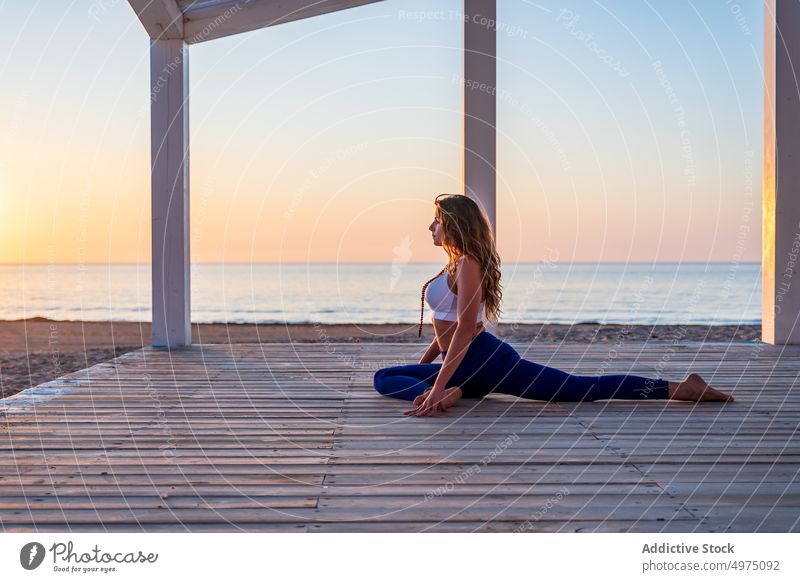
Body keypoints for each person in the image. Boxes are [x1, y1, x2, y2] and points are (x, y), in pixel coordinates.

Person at [372, 193, 735, 417]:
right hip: (463, 368)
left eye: (436, 220)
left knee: (579, 389)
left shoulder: (468, 264)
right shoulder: (453, 264)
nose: (429, 227)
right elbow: (445, 326)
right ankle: (456, 392)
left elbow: (465, 330)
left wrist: (434, 388)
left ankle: (679, 387)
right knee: (386, 377)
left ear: (452, 225)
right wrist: (425, 368)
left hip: (484, 359)